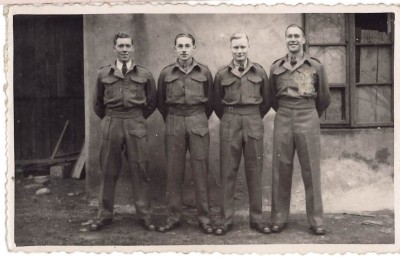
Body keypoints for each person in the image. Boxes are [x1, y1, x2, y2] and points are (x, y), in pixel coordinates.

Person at [91, 32, 157, 231]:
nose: (125, 50)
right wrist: (111, 118)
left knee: (140, 169)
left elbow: (151, 102)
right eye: (121, 46)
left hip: (136, 122)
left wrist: (136, 117)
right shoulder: (103, 74)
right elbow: (97, 103)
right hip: (112, 121)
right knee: (108, 170)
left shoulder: (144, 74)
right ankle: (104, 215)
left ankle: (145, 215)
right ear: (114, 49)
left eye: (128, 46)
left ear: (133, 48)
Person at [269, 24, 331, 235]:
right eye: (289, 36)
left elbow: (323, 97)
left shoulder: (315, 66)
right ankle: (278, 218)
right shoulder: (276, 66)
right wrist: (287, 111)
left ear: (304, 40)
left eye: (297, 36)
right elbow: (271, 98)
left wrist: (308, 113)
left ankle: (316, 221)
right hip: (284, 115)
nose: (293, 39)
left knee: (311, 170)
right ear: (286, 40)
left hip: (308, 115)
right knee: (281, 168)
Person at [213, 33, 272, 235]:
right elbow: (215, 102)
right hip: (229, 120)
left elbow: (267, 100)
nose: (239, 51)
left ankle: (256, 219)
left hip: (254, 119)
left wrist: (252, 116)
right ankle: (226, 220)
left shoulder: (260, 72)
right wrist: (231, 117)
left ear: (249, 46)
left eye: (242, 47)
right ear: (231, 49)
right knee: (228, 171)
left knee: (255, 171)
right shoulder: (222, 74)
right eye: (236, 48)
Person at [157, 33, 214, 234]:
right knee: (174, 171)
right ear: (174, 48)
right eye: (179, 45)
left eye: (187, 45)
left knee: (200, 169)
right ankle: (174, 217)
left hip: (198, 118)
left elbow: (211, 102)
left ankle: (205, 218)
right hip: (174, 120)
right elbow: (160, 102)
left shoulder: (204, 72)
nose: (183, 49)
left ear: (194, 47)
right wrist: (175, 118)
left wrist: (196, 117)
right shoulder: (166, 74)